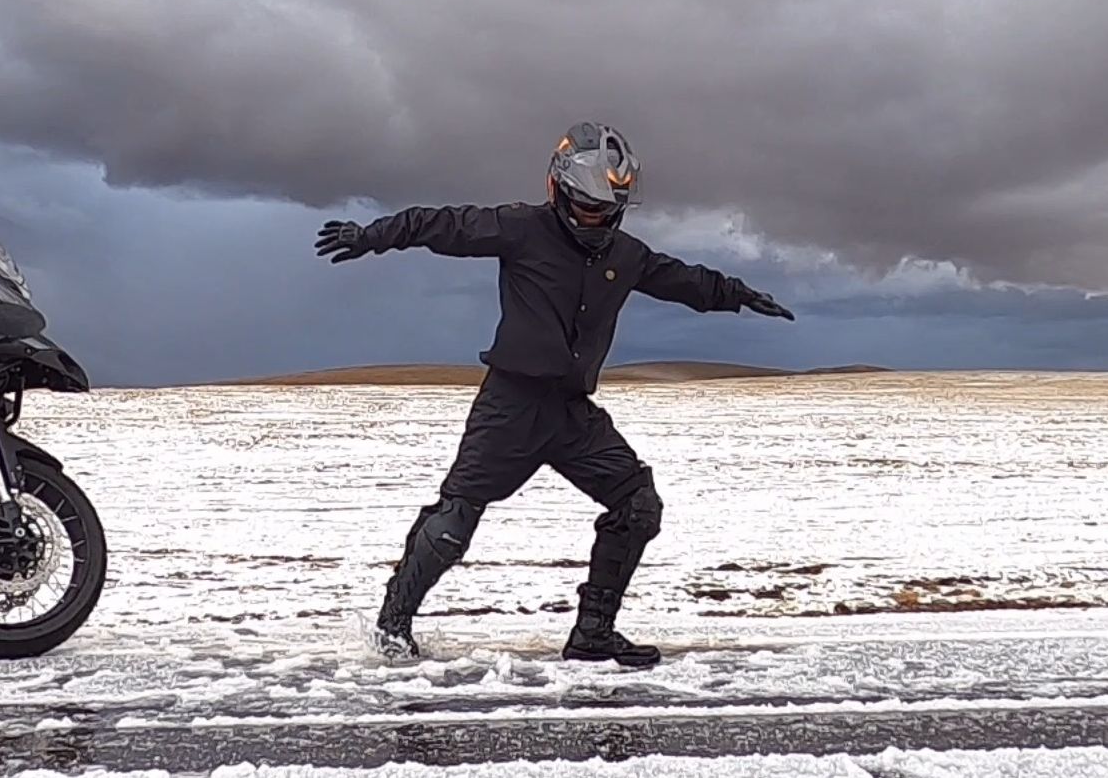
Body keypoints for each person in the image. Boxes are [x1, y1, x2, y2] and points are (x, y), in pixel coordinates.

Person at [314, 122, 795, 667]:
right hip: (510, 408)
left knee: (638, 504)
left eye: (604, 210)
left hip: (572, 416)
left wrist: (739, 294)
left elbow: (681, 280)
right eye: (586, 207)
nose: (595, 219)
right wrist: (371, 235)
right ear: (559, 190)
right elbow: (440, 225)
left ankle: (593, 633)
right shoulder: (520, 229)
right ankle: (392, 628)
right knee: (454, 521)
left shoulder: (626, 254)